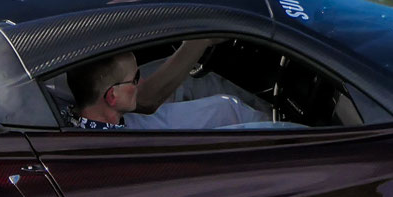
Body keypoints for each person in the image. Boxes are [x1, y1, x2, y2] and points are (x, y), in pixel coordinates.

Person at [67, 44, 262, 130]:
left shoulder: (72, 116)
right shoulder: (125, 147)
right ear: (112, 97)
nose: (141, 83)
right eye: (135, 79)